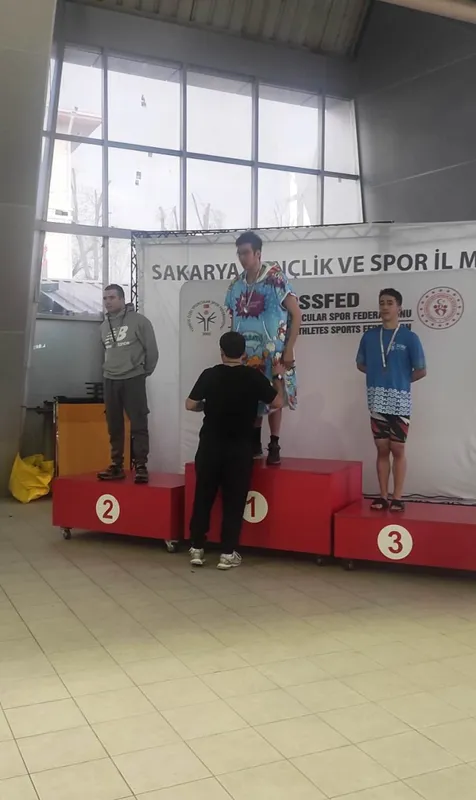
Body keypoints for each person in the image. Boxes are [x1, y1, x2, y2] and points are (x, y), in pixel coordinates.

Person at [187, 331, 283, 570]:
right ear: (244, 353)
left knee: (203, 497)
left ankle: (197, 548)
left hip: (209, 446)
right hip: (240, 448)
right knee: (234, 500)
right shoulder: (253, 377)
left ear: (221, 352)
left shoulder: (209, 374)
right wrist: (278, 376)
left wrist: (207, 406)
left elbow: (190, 404)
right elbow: (278, 402)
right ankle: (227, 553)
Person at [225, 231, 301, 466]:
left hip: (272, 352)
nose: (242, 257)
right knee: (250, 398)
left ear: (258, 253)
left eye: (246, 252)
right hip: (246, 354)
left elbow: (296, 313)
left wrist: (289, 348)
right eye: (239, 253)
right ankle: (254, 442)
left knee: (274, 396)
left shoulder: (275, 279)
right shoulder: (236, 285)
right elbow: (232, 319)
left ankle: (274, 443)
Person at [356, 288, 426, 511]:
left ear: (399, 308)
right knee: (382, 448)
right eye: (382, 303)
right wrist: (379, 377)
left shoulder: (409, 337)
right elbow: (361, 364)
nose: (385, 307)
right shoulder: (369, 336)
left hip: (400, 401)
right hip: (377, 399)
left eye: (389, 303)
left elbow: (421, 370)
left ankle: (397, 497)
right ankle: (383, 496)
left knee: (398, 448)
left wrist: (401, 381)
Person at [98, 284, 159, 485]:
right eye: (105, 298)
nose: (108, 301)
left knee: (139, 423)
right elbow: (106, 351)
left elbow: (152, 350)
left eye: (112, 297)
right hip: (110, 379)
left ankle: (140, 465)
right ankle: (116, 465)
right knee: (114, 425)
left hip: (133, 378)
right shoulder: (103, 326)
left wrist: (142, 372)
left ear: (122, 299)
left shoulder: (139, 321)